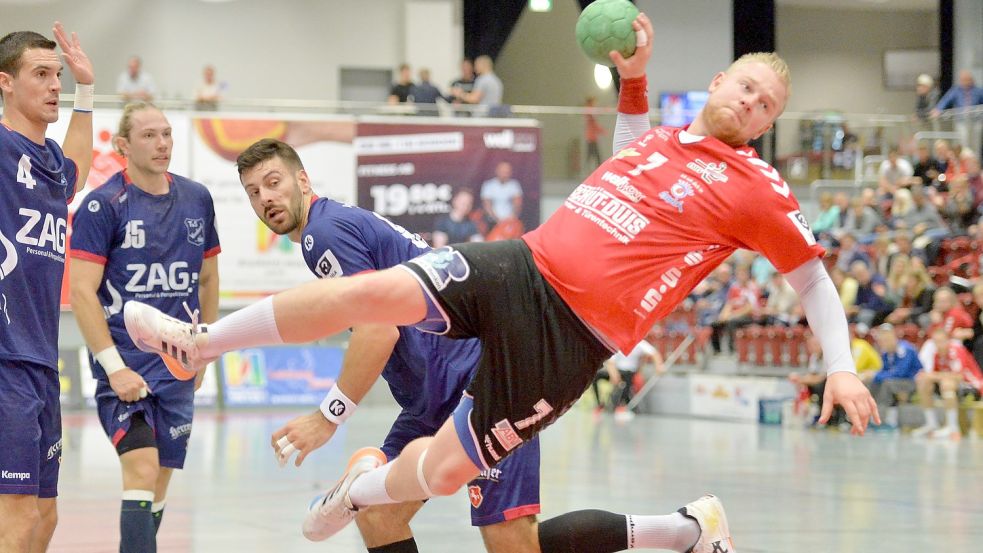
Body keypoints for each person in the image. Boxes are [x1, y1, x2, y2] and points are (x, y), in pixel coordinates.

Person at [124, 13, 878, 552]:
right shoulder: (662, 141)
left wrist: (840, 368)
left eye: (764, 105)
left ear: (765, 123)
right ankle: (200, 343)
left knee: (458, 485)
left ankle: (365, 488)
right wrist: (635, 78)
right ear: (719, 80)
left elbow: (810, 279)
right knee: (373, 292)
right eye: (745, 86)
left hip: (566, 337)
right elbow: (623, 162)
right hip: (520, 263)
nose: (749, 102)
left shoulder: (753, 186)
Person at [235, 137, 712, 553]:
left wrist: (327, 417)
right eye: (254, 192)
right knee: (379, 515)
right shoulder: (332, 228)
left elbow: (377, 329)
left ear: (303, 179)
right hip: (432, 396)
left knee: (511, 542)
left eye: (274, 182)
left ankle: (683, 531)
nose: (266, 198)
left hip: (480, 381)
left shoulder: (323, 232)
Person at [68, 103, 220, 553]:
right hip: (125, 369)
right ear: (122, 146)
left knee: (158, 484)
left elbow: (208, 279)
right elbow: (81, 292)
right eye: (150, 135)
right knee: (141, 469)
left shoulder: (197, 198)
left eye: (168, 134)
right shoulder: (102, 205)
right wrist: (113, 368)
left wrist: (205, 350)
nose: (163, 144)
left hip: (177, 369)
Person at [0, 23, 93, 553]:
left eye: (56, 74)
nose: (53, 84)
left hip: (41, 362)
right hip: (5, 360)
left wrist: (85, 90)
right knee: (14, 519)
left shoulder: (52, 164)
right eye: (41, 74)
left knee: (44, 518)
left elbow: (75, 166)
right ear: (6, 83)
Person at [911, 327, 983, 439]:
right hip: (954, 389)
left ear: (948, 340)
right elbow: (935, 376)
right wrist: (927, 376)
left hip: (973, 387)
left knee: (946, 383)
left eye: (941, 341)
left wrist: (932, 375)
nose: (939, 344)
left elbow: (958, 377)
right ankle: (931, 423)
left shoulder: (956, 350)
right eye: (936, 342)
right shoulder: (937, 355)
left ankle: (953, 428)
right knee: (924, 382)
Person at [592, 338, 664, 422]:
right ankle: (599, 404)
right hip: (616, 370)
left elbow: (654, 353)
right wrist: (614, 374)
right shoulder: (618, 342)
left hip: (629, 371)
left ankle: (621, 406)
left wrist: (659, 366)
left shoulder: (640, 343)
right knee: (596, 376)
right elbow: (611, 362)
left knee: (627, 380)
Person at [868, 323, 922, 430]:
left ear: (894, 337)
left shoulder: (905, 350)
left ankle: (887, 420)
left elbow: (900, 373)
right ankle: (872, 417)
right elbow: (885, 370)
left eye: (886, 339)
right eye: (881, 340)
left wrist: (876, 374)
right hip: (896, 381)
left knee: (887, 384)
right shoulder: (885, 353)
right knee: (873, 382)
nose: (884, 342)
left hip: (912, 382)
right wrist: (874, 375)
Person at [480, 161, 523, 232]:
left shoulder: (514, 185)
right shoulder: (488, 185)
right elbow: (487, 206)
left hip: (510, 221)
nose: (505, 174)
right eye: (502, 171)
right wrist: (497, 220)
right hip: (492, 222)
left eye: (507, 172)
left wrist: (511, 218)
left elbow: (517, 204)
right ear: (497, 171)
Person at [584, 96, 607, 169]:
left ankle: (595, 169)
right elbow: (594, 121)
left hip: (592, 138)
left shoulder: (591, 112)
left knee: (594, 155)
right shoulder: (588, 110)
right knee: (594, 155)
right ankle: (589, 170)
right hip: (591, 138)